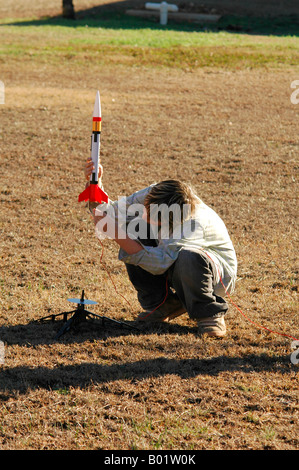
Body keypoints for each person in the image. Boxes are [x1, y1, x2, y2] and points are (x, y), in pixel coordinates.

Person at [84, 158, 237, 338]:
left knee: (188, 257)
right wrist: (95, 183)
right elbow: (113, 213)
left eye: (151, 212)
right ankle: (162, 304)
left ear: (169, 219)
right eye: (147, 203)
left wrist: (116, 234)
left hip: (213, 274)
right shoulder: (155, 193)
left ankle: (209, 313)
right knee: (134, 226)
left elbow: (160, 263)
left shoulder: (192, 225)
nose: (144, 209)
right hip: (175, 261)